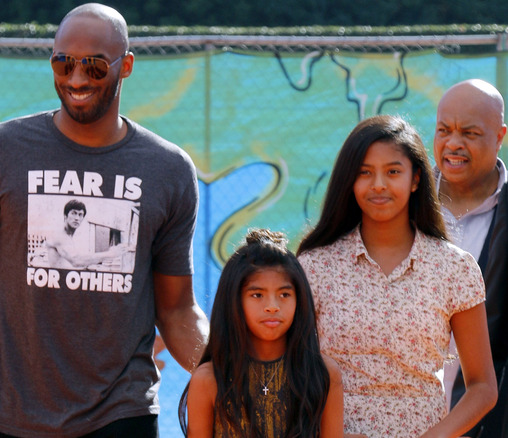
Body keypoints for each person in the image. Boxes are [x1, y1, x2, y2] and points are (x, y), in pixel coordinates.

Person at [0, 3, 208, 437]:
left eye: (94, 67)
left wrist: (227, 373)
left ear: (125, 65)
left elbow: (177, 307)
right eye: (63, 63)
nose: (76, 79)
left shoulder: (168, 169)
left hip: (122, 413)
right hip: (14, 417)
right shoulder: (1, 151)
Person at [296, 115, 497, 437]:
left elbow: (483, 387)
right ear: (349, 180)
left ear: (416, 178)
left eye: (392, 172)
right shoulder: (314, 267)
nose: (378, 184)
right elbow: (292, 374)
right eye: (365, 173)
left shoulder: (454, 268)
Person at [179, 229, 343, 438]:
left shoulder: (323, 374)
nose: (272, 306)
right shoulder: (209, 379)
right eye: (257, 295)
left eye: (284, 294)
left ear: (299, 299)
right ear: (234, 300)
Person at [433, 79, 508, 437]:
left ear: (499, 136)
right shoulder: (400, 204)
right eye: (444, 130)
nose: (453, 144)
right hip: (401, 416)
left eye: (469, 133)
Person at [43, 199, 127, 269]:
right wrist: (110, 254)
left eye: (80, 215)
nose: (77, 218)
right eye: (73, 213)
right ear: (65, 215)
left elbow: (68, 263)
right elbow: (76, 261)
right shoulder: (60, 236)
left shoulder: (69, 237)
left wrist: (86, 267)